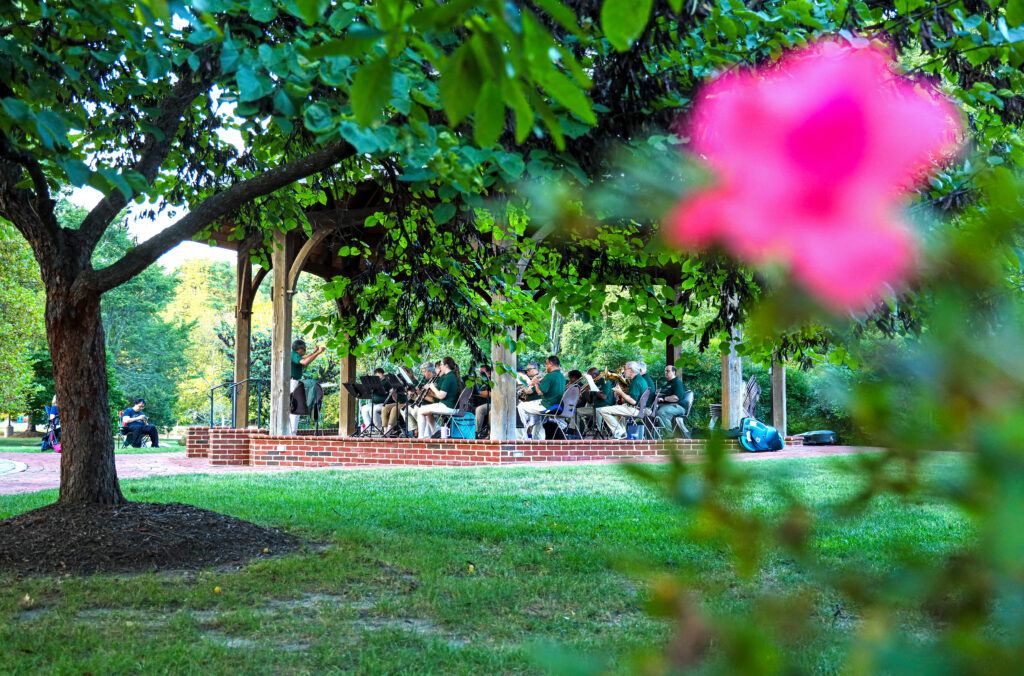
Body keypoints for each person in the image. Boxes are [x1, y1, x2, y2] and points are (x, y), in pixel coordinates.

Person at [516, 355, 567, 440]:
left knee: (521, 406)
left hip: (547, 405)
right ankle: (535, 437)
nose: (545, 367)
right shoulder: (562, 376)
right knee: (534, 415)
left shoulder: (549, 376)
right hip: (555, 403)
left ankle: (525, 433)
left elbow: (540, 392)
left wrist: (536, 383)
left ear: (551, 364)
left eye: (546, 364)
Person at [416, 357, 461, 438]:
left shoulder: (448, 377)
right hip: (450, 406)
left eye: (441, 365)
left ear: (446, 366)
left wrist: (432, 387)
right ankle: (436, 432)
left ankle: (420, 438)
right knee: (427, 411)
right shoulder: (451, 376)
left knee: (420, 411)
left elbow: (441, 395)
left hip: (449, 407)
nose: (440, 367)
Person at [599, 361, 646, 439]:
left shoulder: (636, 382)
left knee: (604, 410)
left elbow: (633, 401)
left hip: (634, 409)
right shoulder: (639, 379)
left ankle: (620, 432)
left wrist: (620, 392)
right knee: (616, 412)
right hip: (637, 408)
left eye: (625, 369)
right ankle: (622, 434)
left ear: (631, 370)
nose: (624, 371)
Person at [290, 339, 325, 434]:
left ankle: (293, 431)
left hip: (294, 381)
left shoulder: (294, 354)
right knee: (295, 406)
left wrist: (314, 352)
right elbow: (305, 362)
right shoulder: (293, 354)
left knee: (295, 406)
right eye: (304, 348)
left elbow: (304, 357)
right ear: (299, 349)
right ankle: (292, 432)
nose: (305, 351)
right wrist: (318, 353)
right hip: (292, 381)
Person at [655, 365, 690, 437]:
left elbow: (676, 398)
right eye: (665, 371)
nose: (666, 372)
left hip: (678, 406)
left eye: (668, 371)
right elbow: (659, 392)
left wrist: (663, 399)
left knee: (662, 412)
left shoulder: (677, 383)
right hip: (669, 406)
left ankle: (669, 437)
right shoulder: (667, 384)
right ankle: (653, 436)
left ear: (674, 372)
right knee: (651, 411)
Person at [360, 368, 387, 433]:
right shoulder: (376, 382)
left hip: (384, 403)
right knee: (364, 408)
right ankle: (370, 429)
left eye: (379, 374)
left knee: (373, 409)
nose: (378, 376)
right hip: (374, 403)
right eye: (376, 375)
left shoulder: (386, 381)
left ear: (382, 374)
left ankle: (379, 429)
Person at [473, 364, 492, 437]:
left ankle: (477, 433)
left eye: (482, 372)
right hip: (477, 403)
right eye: (479, 372)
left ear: (488, 373)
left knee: (480, 410)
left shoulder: (490, 380)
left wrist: (476, 392)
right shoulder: (479, 381)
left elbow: (490, 394)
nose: (480, 373)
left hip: (490, 404)